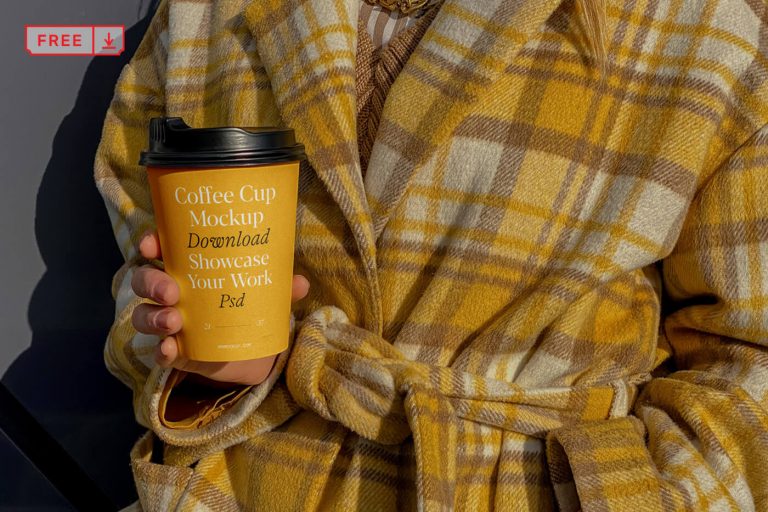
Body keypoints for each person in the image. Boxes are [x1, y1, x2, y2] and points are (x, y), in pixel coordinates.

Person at [94, 0, 768, 510]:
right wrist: (198, 354)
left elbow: (750, 358)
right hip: (254, 485)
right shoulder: (206, 11)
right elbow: (142, 258)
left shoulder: (703, 23)